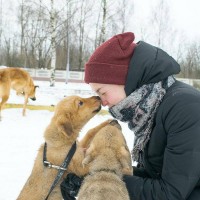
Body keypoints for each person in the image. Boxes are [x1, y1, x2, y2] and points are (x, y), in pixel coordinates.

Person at [60, 32, 200, 200]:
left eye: (102, 92)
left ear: (124, 79)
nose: (102, 102)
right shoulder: (150, 110)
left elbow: (171, 193)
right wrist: (92, 174)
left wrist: (97, 182)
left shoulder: (184, 108)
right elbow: (153, 175)